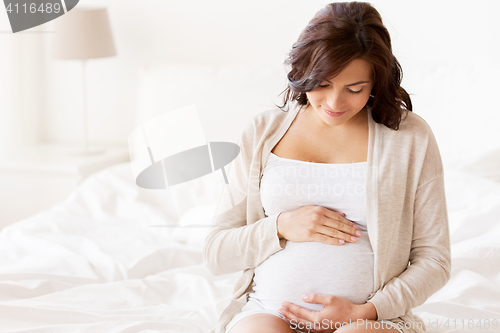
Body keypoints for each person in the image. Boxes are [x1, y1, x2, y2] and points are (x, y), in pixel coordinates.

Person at [203, 2, 451, 333]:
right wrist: (281, 225)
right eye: (322, 84)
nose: (335, 103)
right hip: (268, 311)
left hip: (371, 321)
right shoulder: (262, 132)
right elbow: (216, 252)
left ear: (376, 81)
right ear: (304, 72)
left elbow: (435, 260)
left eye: (355, 89)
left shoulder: (409, 137)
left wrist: (366, 312)